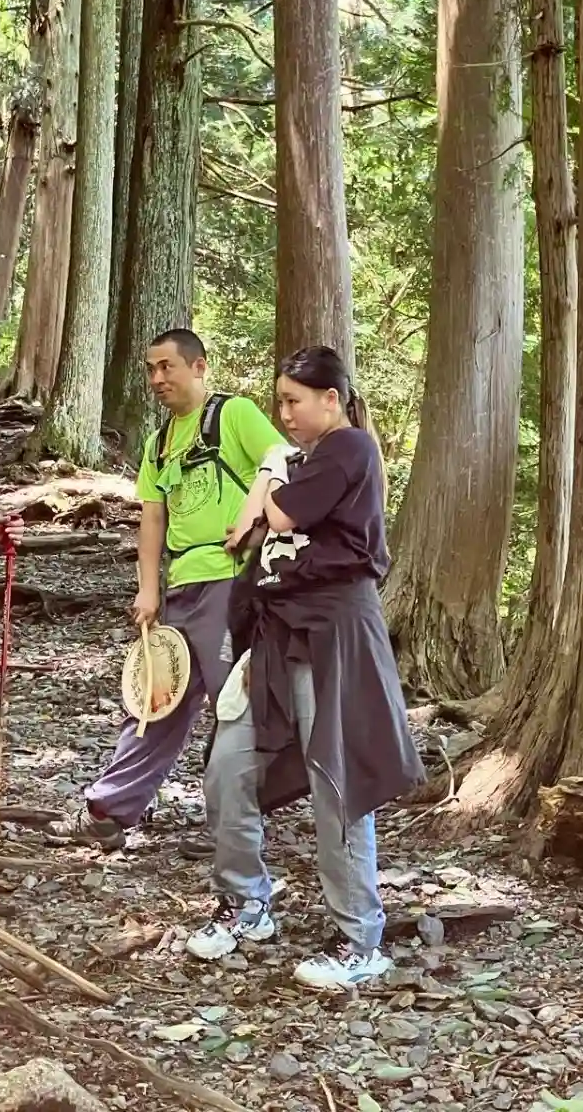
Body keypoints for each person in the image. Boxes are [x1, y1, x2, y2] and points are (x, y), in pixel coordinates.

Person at [184, 346, 424, 991]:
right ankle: (246, 903)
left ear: (331, 399)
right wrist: (272, 473)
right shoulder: (301, 460)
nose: (284, 414)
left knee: (336, 784)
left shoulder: (350, 448)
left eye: (294, 401)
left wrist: (267, 472)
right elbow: (245, 535)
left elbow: (282, 516)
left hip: (333, 634)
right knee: (228, 768)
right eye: (279, 402)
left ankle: (360, 939)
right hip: (274, 636)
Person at [47, 328, 288, 852]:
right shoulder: (160, 442)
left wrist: (254, 521)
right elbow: (152, 519)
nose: (157, 378)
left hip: (232, 582)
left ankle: (239, 824)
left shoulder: (234, 414)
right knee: (156, 697)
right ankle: (108, 811)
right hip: (182, 585)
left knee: (236, 701)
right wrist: (148, 589)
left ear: (198, 367)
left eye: (167, 367)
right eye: (151, 369)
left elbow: (281, 460)